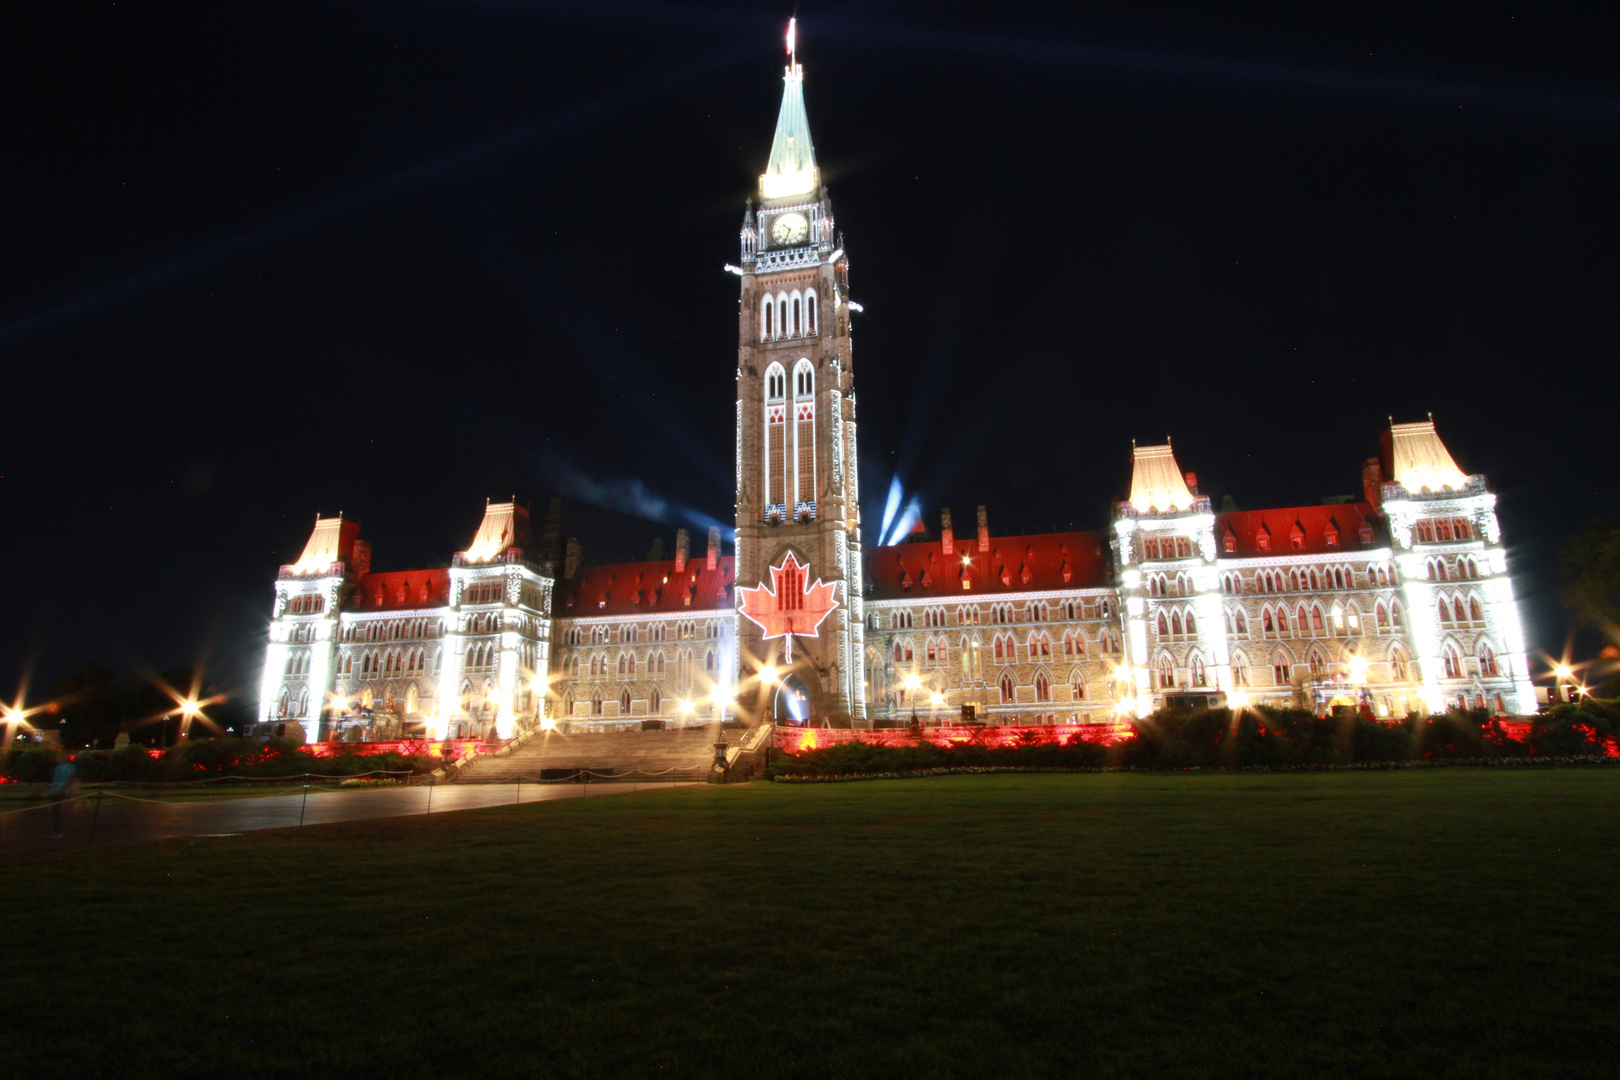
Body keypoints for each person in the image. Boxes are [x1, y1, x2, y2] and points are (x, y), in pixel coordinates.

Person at [48, 757, 79, 838]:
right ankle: (57, 831)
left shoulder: (69, 767)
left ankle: (58, 832)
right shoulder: (59, 767)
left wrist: (63, 790)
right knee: (56, 812)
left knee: (57, 812)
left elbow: (71, 779)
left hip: (60, 791)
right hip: (55, 791)